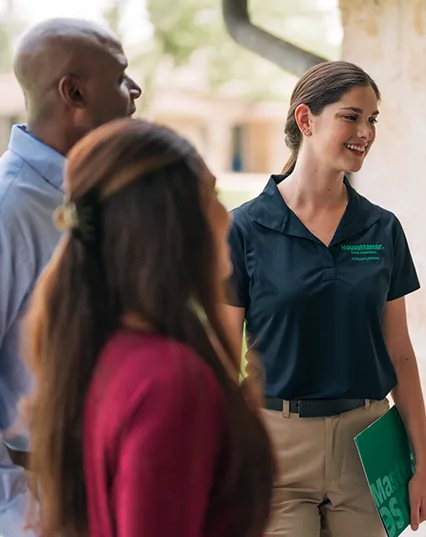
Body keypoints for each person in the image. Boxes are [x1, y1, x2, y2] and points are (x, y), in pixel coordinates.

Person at [22, 118, 276, 537]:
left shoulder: (110, 351)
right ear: (173, 225)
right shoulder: (172, 381)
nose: (226, 217)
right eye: (211, 195)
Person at [222, 60, 426, 536]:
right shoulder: (243, 228)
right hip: (276, 444)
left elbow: (399, 351)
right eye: (352, 116)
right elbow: (219, 357)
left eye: (372, 120)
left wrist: (423, 461)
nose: (365, 131)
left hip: (368, 442)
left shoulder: (382, 228)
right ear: (306, 120)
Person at [0, 18, 141, 534]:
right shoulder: (10, 209)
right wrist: (20, 518)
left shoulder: (101, 193)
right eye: (122, 78)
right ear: (74, 92)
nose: (135, 90)